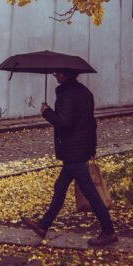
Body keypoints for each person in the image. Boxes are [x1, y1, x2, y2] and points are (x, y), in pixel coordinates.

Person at [22, 69, 117, 246]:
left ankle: (108, 231)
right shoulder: (84, 92)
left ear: (64, 75)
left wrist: (47, 112)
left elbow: (64, 122)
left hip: (74, 151)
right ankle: (43, 225)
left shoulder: (67, 95)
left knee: (90, 192)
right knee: (60, 187)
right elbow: (89, 123)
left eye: (57, 74)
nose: (56, 76)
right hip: (80, 148)